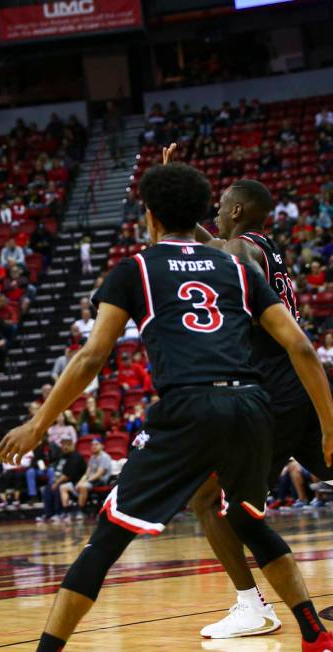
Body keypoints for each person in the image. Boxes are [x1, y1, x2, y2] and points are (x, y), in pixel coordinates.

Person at [0, 162, 333, 652]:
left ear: (149, 216)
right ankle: (313, 632)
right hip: (255, 402)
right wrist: (328, 423)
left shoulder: (139, 267)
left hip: (194, 406)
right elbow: (303, 347)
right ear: (199, 212)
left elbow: (92, 357)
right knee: (241, 515)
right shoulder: (235, 268)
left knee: (108, 538)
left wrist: (38, 423)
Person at [191, 175, 333, 638]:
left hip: (273, 393)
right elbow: (212, 242)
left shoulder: (238, 251)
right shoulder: (261, 247)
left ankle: (253, 607)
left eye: (219, 206)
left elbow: (220, 252)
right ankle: (253, 606)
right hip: (298, 389)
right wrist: (171, 197)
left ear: (235, 212)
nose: (214, 213)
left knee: (212, 500)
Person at [72, 439, 112, 520]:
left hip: (101, 481)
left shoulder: (105, 457)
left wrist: (85, 482)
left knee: (83, 486)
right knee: (77, 485)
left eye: (96, 444)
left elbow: (99, 474)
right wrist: (80, 481)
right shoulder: (92, 457)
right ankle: (83, 509)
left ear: (102, 446)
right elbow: (87, 473)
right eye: (92, 445)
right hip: (92, 480)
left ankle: (81, 511)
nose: (94, 446)